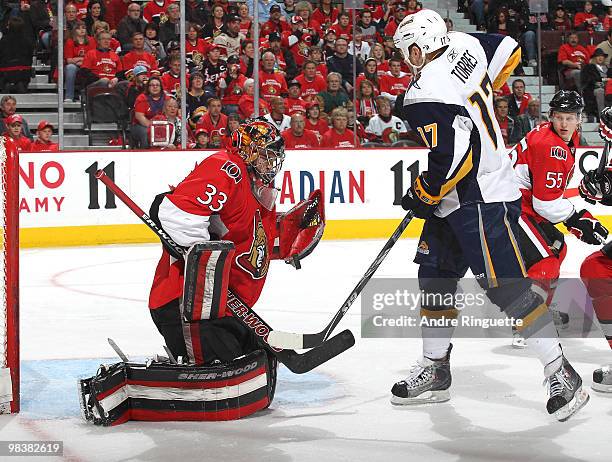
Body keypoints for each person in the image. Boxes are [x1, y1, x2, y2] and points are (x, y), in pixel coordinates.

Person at [391, 9, 589, 421]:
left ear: (419, 45)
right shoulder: (463, 44)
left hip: (480, 197)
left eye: (405, 50)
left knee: (507, 290)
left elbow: (458, 156)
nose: (402, 58)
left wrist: (426, 191)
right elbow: (509, 49)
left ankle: (561, 371)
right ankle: (435, 367)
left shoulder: (425, 91)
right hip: (459, 196)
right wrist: (473, 94)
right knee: (435, 277)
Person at [509, 91, 609, 347]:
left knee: (557, 246)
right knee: (546, 259)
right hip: (510, 205)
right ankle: (526, 320)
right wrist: (579, 218)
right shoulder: (551, 145)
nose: (564, 124)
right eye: (559, 117)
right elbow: (546, 203)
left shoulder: (562, 137)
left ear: (579, 119)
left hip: (523, 203)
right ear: (550, 117)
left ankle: (537, 307)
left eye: (570, 118)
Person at [131, 76, 169, 148]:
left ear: (161, 87)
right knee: (146, 132)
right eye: (152, 85)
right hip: (141, 125)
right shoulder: (142, 98)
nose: (155, 87)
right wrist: (154, 128)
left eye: (157, 85)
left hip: (162, 125)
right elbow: (139, 117)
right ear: (148, 87)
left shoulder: (167, 98)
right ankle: (145, 152)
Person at [0, 16, 35, 94]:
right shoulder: (28, 40)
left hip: (6, 70)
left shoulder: (3, 40)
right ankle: (22, 84)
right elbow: (30, 56)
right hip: (23, 70)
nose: (6, 26)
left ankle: (5, 84)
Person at [64, 20, 95, 102]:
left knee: (88, 68)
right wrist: (83, 59)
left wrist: (78, 59)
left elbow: (92, 59)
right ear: (75, 30)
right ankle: (69, 96)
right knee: (70, 68)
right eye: (79, 28)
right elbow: (69, 60)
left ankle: (86, 97)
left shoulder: (91, 40)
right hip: (75, 66)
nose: (82, 30)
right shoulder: (70, 41)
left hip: (87, 65)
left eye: (84, 28)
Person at [581, 49, 611, 122]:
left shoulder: (608, 68)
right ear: (594, 58)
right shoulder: (589, 67)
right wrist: (602, 80)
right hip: (594, 87)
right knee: (600, 92)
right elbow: (588, 79)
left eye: (602, 56)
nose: (600, 58)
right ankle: (602, 117)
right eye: (598, 56)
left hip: (609, 87)